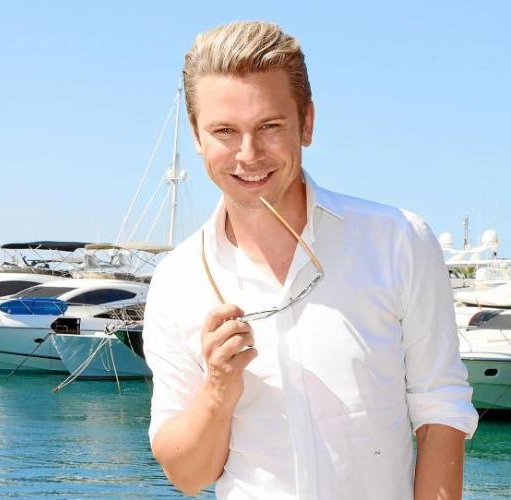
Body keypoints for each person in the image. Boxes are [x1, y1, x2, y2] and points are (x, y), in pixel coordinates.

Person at [143, 20, 478, 499]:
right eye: (224, 131)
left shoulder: (399, 240)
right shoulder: (176, 281)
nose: (248, 154)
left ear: (307, 123)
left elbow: (441, 410)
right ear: (197, 135)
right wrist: (218, 387)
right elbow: (188, 477)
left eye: (270, 126)